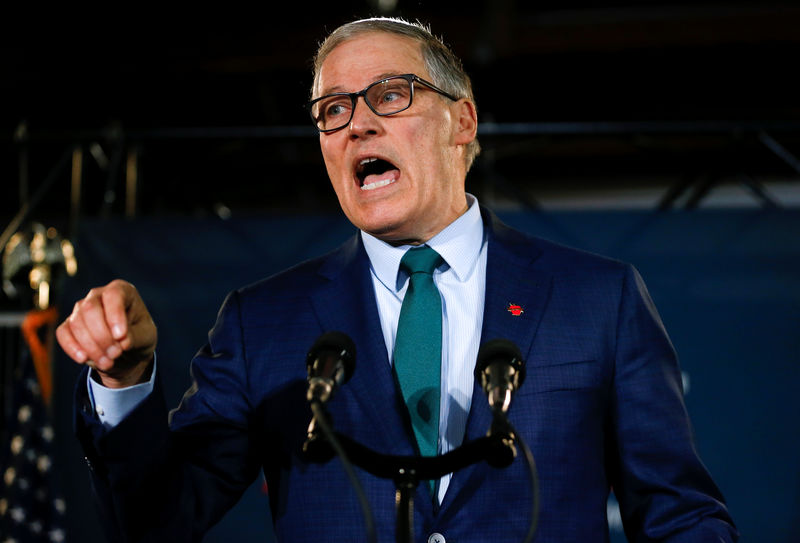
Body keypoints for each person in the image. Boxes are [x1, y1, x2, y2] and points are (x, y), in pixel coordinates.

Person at [56, 17, 738, 543]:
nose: (359, 122)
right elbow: (155, 525)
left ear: (462, 121)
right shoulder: (262, 322)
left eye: (390, 94)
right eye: (334, 109)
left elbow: (679, 517)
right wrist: (125, 381)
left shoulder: (599, 298)